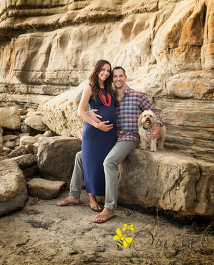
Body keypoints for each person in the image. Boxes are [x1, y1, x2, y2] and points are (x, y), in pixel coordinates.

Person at [91, 66, 163, 223]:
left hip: (128, 138)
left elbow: (154, 112)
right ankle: (74, 193)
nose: (117, 79)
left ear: (125, 77)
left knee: (109, 162)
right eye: (115, 76)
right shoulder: (109, 97)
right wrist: (88, 111)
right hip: (110, 137)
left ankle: (109, 208)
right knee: (81, 155)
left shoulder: (137, 95)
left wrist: (156, 129)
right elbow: (94, 107)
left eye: (120, 76)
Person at [57, 60, 117, 212]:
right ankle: (91, 198)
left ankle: (102, 195)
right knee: (91, 163)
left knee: (104, 163)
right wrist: (97, 125)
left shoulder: (110, 88)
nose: (106, 73)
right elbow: (81, 111)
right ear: (97, 70)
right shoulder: (89, 88)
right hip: (94, 132)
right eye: (103, 70)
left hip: (109, 134)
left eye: (108, 70)